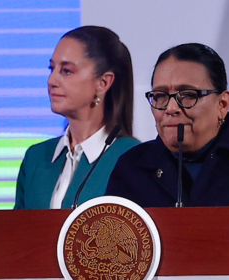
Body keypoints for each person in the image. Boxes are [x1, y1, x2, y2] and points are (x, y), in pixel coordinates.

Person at [105, 43, 229, 215]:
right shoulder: (132, 168)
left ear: (222, 104)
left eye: (187, 95)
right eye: (160, 96)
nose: (171, 108)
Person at [14, 26, 140, 210]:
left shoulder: (132, 158)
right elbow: (16, 233)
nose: (51, 81)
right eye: (52, 68)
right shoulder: (36, 157)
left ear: (103, 82)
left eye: (66, 71)